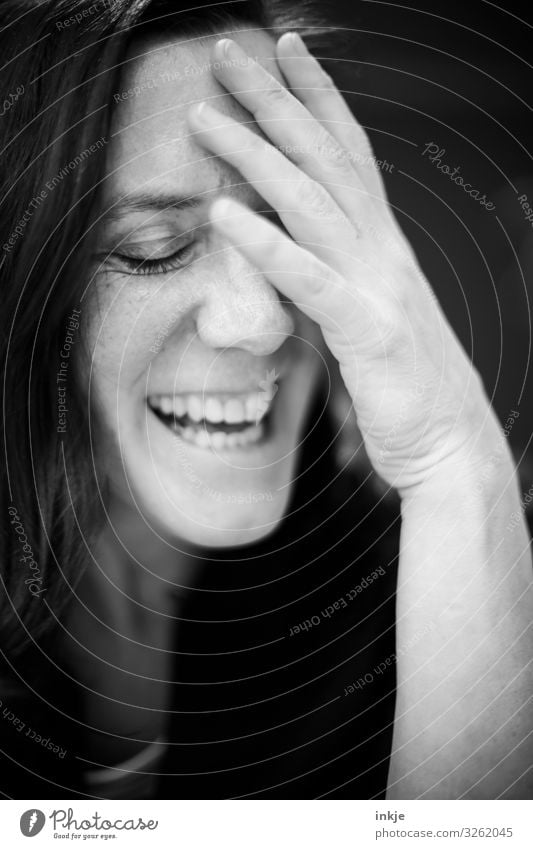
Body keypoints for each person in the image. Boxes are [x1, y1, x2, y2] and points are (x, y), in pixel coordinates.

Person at [0, 0, 531, 800]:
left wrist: (455, 470)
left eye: (285, 226)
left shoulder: (418, 588)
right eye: (155, 248)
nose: (258, 322)